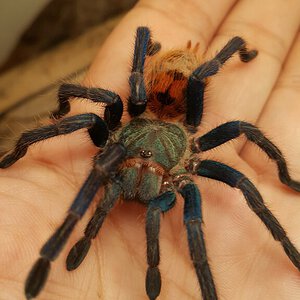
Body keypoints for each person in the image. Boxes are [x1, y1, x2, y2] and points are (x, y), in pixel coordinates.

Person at [1, 0, 300, 299]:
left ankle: (287, 245)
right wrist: (48, 122)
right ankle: (56, 245)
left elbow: (242, 130)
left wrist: (282, 177)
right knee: (90, 115)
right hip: (148, 114)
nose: (140, 173)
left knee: (204, 91)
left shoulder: (182, 143)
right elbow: (75, 92)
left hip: (177, 100)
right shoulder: (118, 143)